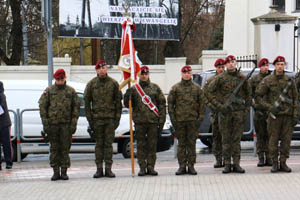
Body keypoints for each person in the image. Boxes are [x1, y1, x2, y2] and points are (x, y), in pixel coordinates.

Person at [207, 55, 251, 174]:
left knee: (236, 140)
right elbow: (209, 93)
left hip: (237, 114)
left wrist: (245, 111)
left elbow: (248, 95)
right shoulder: (220, 78)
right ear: (226, 65)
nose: (231, 64)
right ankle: (227, 163)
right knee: (225, 140)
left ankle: (236, 164)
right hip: (224, 114)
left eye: (233, 62)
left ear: (235, 63)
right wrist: (219, 106)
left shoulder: (242, 78)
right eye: (229, 62)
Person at [256, 56, 299, 173]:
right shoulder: (268, 80)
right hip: (274, 117)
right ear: (274, 66)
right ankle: (274, 163)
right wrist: (269, 107)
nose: (280, 66)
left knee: (286, 140)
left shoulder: (290, 81)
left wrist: (295, 114)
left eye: (282, 64)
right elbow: (258, 96)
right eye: (278, 64)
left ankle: (283, 162)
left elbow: (295, 98)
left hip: (287, 116)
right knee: (273, 140)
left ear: (284, 65)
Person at [124, 66, 166, 176]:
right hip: (139, 122)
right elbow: (127, 105)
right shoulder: (133, 89)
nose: (144, 75)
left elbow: (162, 105)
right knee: (141, 146)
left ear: (148, 74)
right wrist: (127, 95)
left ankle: (151, 167)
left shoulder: (155, 88)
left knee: (152, 146)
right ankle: (142, 167)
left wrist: (161, 121)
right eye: (142, 73)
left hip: (153, 122)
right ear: (138, 74)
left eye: (146, 74)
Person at [39, 69, 80, 181]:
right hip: (53, 125)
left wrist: (73, 124)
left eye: (62, 79)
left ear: (65, 78)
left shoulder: (71, 91)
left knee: (65, 149)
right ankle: (55, 172)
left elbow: (76, 109)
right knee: (54, 149)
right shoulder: (49, 91)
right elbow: (42, 107)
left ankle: (64, 172)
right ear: (55, 79)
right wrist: (46, 123)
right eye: (58, 79)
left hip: (66, 125)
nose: (60, 81)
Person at [84, 60, 122, 178]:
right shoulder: (91, 84)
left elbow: (118, 103)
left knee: (108, 145)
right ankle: (99, 169)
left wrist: (117, 119)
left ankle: (108, 169)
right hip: (97, 120)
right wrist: (90, 120)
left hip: (110, 119)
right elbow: (86, 103)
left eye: (104, 68)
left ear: (106, 69)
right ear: (96, 70)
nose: (102, 70)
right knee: (99, 145)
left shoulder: (114, 83)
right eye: (99, 68)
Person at [168, 65, 205, 175]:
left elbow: (202, 104)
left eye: (188, 73)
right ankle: (182, 166)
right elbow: (170, 105)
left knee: (191, 144)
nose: (187, 74)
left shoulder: (197, 88)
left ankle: (191, 166)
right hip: (180, 121)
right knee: (181, 145)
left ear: (191, 74)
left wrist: (200, 119)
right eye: (184, 73)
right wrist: (173, 120)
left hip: (193, 121)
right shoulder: (175, 88)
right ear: (181, 74)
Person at [249, 58, 272, 167]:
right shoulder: (254, 79)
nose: (265, 67)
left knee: (270, 135)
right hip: (259, 111)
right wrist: (254, 105)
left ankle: (269, 157)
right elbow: (249, 94)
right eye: (263, 66)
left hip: (270, 111)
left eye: (267, 65)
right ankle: (261, 157)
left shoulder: (272, 78)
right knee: (260, 135)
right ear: (260, 67)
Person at [203, 58, 225, 168]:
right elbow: (205, 96)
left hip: (227, 113)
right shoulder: (211, 80)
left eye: (222, 67)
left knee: (227, 137)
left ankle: (227, 159)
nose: (221, 69)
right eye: (219, 67)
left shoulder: (228, 78)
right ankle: (218, 159)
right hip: (216, 113)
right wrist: (212, 106)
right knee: (216, 137)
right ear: (216, 68)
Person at [0, 81, 13, 170]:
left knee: (6, 143)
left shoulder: (1, 96)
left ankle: (9, 162)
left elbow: (2, 107)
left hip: (4, 123)